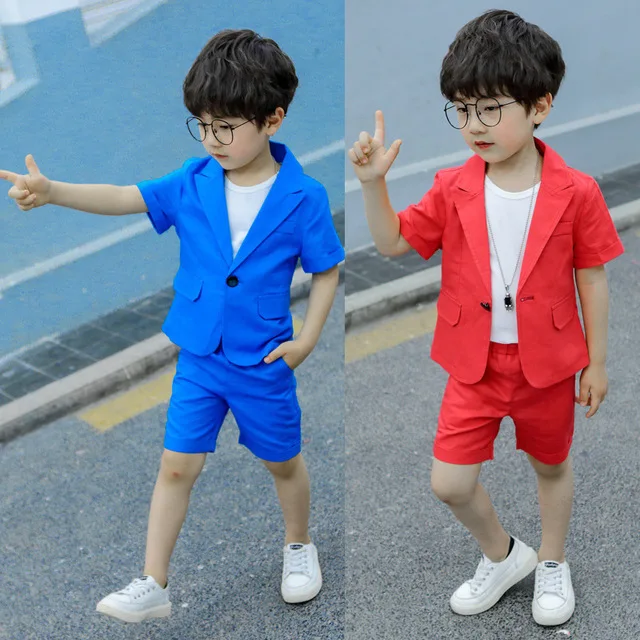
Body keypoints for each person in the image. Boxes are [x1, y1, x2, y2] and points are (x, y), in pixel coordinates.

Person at [1, 29, 344, 623]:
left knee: (283, 462)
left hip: (264, 358)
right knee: (177, 464)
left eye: (226, 127)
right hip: (199, 356)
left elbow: (326, 270)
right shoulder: (192, 181)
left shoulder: (303, 196)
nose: (212, 139)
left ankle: (298, 545)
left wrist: (308, 337)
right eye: (202, 125)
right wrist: (53, 192)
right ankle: (153, 582)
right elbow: (123, 196)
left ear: (273, 119)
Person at [348, 9, 623, 628]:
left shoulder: (577, 192)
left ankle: (551, 561)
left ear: (540, 106)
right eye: (463, 109)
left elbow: (592, 277)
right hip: (474, 365)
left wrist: (597, 362)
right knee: (449, 482)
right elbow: (393, 243)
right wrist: (372, 185)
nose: (474, 124)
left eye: (491, 109)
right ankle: (504, 555)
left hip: (548, 364)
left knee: (550, 466)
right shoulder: (453, 187)